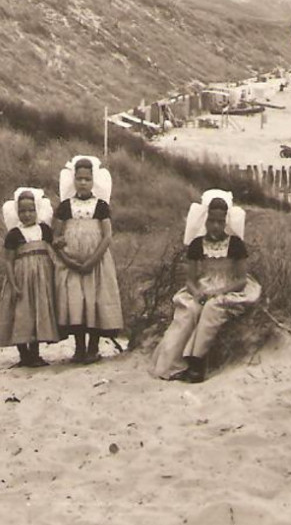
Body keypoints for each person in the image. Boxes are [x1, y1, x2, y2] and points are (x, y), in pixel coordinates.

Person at [150, 191, 262, 384]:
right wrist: (197, 293)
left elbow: (241, 280)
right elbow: (191, 280)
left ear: (225, 222)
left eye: (220, 222)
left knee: (212, 309)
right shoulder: (197, 244)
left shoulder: (235, 244)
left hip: (229, 287)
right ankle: (173, 364)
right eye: (212, 221)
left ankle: (197, 363)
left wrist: (218, 292)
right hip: (203, 286)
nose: (216, 226)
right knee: (190, 310)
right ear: (205, 221)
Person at [52, 155, 123, 364]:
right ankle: (79, 348)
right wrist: (66, 259)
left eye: (87, 179)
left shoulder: (101, 206)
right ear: (73, 180)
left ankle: (93, 347)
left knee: (95, 301)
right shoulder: (65, 206)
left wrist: (93, 260)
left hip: (96, 262)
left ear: (94, 181)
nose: (83, 183)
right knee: (76, 302)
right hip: (71, 263)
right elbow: (56, 236)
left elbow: (107, 235)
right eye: (79, 178)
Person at [0, 187, 61, 366]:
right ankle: (24, 354)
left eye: (31, 210)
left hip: (42, 279)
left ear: (37, 210)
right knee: (22, 314)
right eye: (22, 211)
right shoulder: (14, 234)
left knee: (39, 312)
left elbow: (53, 250)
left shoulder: (45, 230)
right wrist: (13, 283)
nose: (27, 215)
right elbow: (9, 260)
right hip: (21, 279)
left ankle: (35, 354)